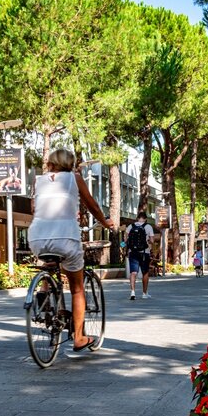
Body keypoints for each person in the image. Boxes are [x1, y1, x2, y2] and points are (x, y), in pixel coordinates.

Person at [28, 148, 115, 357]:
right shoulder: (74, 178)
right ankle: (79, 338)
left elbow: (35, 209)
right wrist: (105, 222)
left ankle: (44, 291)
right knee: (76, 289)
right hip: (66, 237)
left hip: (37, 237)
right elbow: (92, 205)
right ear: (70, 163)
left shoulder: (38, 180)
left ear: (51, 162)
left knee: (49, 260)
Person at [125, 210, 154, 300]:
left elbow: (125, 240)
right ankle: (144, 293)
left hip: (132, 252)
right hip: (144, 253)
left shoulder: (130, 226)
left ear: (137, 218)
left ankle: (132, 292)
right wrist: (148, 241)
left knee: (133, 272)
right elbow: (152, 241)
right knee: (145, 272)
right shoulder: (148, 226)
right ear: (145, 219)